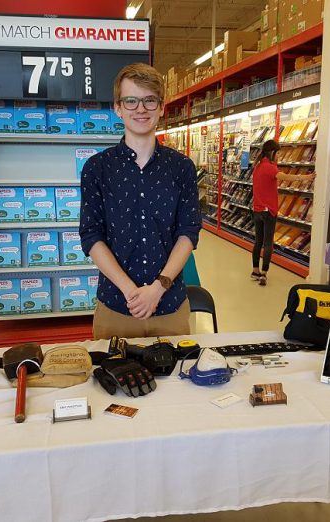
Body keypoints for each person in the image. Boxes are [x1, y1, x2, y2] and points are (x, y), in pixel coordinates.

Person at [79, 63, 201, 340]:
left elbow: (188, 232)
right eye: (131, 101)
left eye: (149, 100)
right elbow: (91, 235)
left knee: (175, 381)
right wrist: (131, 292)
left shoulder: (181, 167)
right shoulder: (97, 168)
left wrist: (158, 288)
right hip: (116, 307)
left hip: (170, 307)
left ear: (161, 107)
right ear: (118, 108)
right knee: (113, 378)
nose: (140, 109)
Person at [251, 139, 314, 286]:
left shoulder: (258, 167)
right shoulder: (270, 168)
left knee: (258, 241)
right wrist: (305, 177)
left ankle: (255, 270)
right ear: (272, 152)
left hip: (257, 210)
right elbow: (285, 177)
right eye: (278, 153)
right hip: (269, 211)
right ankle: (264, 273)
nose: (279, 156)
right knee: (268, 243)